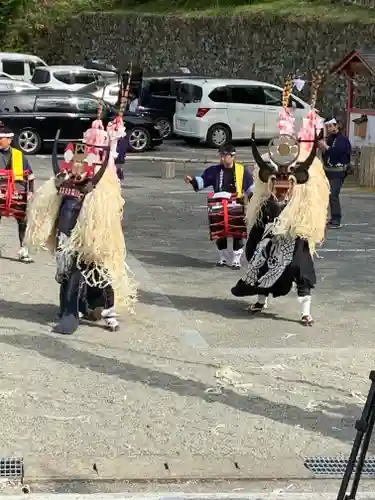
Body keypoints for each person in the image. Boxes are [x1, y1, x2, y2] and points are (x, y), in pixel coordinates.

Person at [25, 79, 137, 335]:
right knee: (68, 270)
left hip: (94, 231)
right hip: (69, 233)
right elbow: (56, 192)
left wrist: (114, 139)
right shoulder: (72, 167)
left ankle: (100, 308)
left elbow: (115, 161)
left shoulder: (105, 183)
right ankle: (69, 311)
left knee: (100, 266)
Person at [231, 77, 330, 326]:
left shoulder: (304, 187)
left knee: (300, 267)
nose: (282, 185)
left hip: (295, 233)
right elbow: (259, 195)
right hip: (270, 235)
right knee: (260, 257)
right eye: (278, 181)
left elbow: (311, 204)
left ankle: (305, 312)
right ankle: (261, 300)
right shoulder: (269, 182)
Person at [185, 144, 253, 269]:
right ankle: (223, 258)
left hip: (236, 204)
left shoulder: (242, 170)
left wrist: (252, 199)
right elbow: (202, 181)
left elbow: (250, 189)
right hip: (218, 204)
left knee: (237, 232)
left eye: (224, 156)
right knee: (219, 232)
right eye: (221, 156)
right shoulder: (214, 170)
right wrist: (192, 180)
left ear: (233, 156)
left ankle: (236, 259)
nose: (222, 159)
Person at [0, 122, 34, 263]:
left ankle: (23, 250)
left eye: (1, 138)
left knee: (22, 221)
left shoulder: (19, 156)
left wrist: (30, 191)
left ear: (9, 140)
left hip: (17, 194)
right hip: (0, 193)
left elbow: (30, 175)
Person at [319, 117, 352, 229]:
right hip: (329, 171)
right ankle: (329, 218)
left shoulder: (343, 140)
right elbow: (327, 155)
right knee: (326, 194)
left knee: (333, 194)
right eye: (328, 126)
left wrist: (326, 147)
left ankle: (336, 220)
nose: (329, 128)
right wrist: (324, 149)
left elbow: (337, 153)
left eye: (331, 126)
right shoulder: (330, 139)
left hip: (339, 172)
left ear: (337, 126)